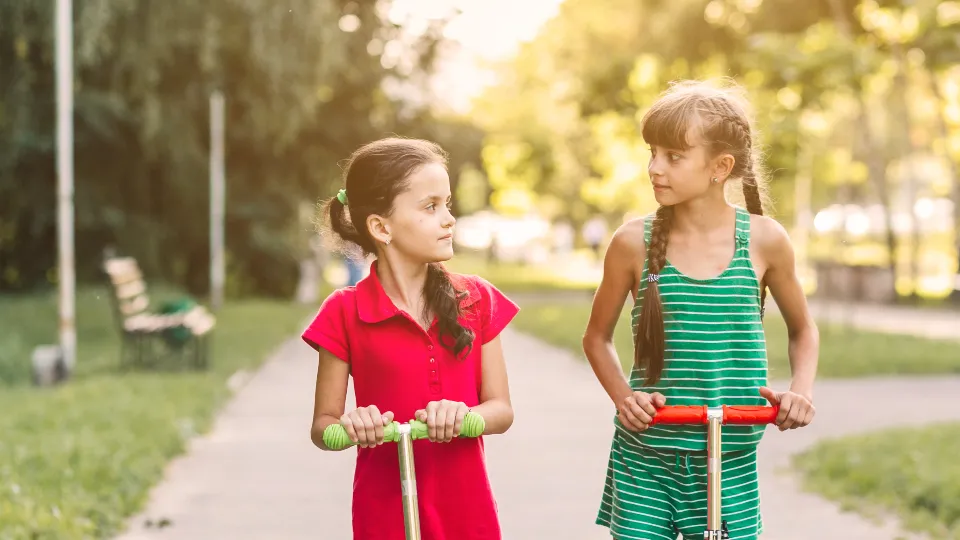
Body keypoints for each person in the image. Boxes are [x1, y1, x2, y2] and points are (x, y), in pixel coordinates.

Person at [582, 79, 820, 540]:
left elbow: (803, 330)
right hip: (646, 456)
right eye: (652, 152)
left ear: (720, 167)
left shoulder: (766, 240)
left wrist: (800, 391)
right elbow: (596, 336)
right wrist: (623, 398)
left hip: (729, 456)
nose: (655, 167)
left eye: (673, 156)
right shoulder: (632, 242)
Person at [301, 137, 519, 540]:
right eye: (430, 207)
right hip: (384, 511)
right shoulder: (344, 312)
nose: (449, 218)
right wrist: (353, 424)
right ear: (381, 227)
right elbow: (322, 427)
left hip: (466, 510)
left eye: (448, 204)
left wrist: (466, 416)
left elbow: (502, 410)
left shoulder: (477, 299)